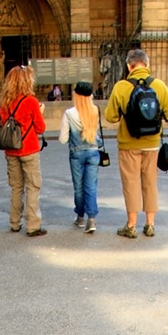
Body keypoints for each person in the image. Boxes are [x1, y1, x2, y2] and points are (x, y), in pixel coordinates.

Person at [104, 48, 168, 239]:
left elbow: (110, 116)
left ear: (129, 66)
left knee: (131, 183)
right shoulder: (159, 86)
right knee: (150, 183)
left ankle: (131, 225)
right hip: (152, 143)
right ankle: (150, 224)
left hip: (128, 143)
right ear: (147, 65)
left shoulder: (121, 86)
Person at [0, 65, 47, 237]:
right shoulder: (31, 101)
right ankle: (33, 225)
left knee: (16, 187)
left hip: (11, 151)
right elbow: (40, 128)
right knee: (33, 186)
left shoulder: (5, 104)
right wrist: (40, 112)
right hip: (29, 149)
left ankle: (14, 222)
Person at [59, 81, 102, 234]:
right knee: (91, 186)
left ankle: (80, 217)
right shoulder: (95, 110)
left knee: (78, 188)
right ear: (90, 95)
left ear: (76, 95)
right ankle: (92, 219)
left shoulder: (69, 113)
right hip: (93, 151)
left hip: (76, 154)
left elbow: (63, 139)